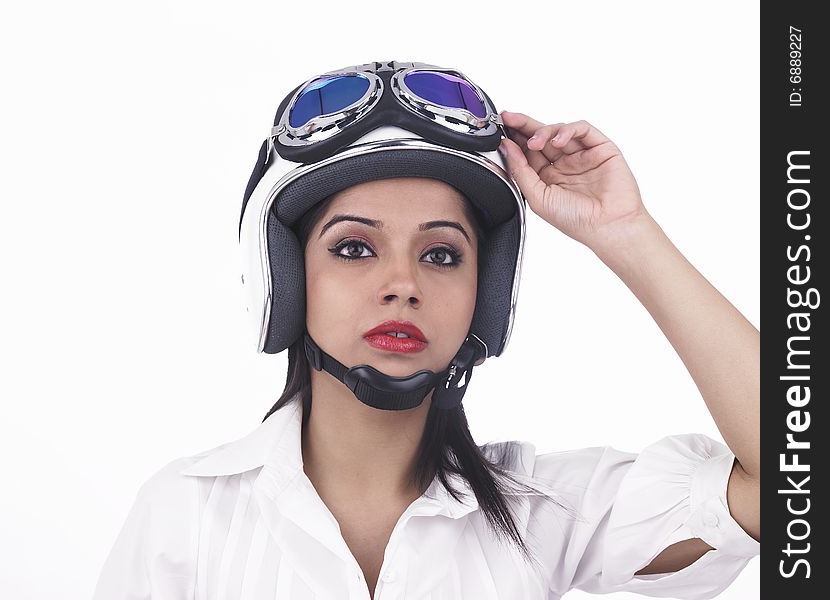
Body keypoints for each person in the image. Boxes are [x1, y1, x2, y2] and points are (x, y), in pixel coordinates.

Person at [93, 60, 760, 600]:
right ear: (286, 280)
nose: (403, 284)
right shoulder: (184, 516)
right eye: (354, 248)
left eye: (442, 254)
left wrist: (626, 235)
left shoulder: (543, 514)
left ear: (484, 294)